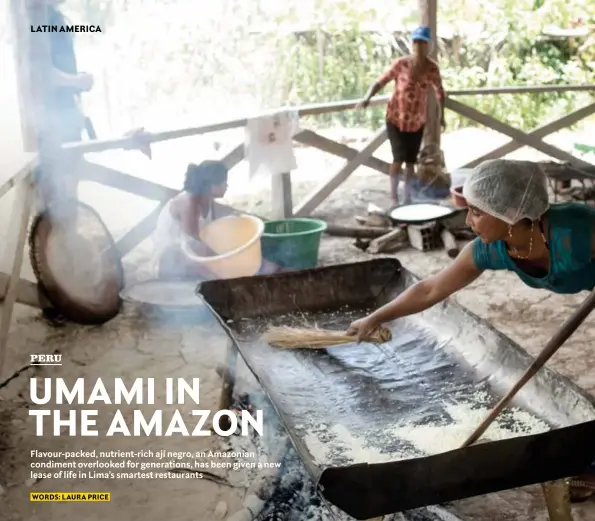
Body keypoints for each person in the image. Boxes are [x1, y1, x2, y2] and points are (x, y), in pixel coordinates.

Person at [347, 158, 595, 499]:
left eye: (476, 212)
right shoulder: (492, 248)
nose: (467, 220)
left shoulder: (578, 231)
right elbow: (431, 289)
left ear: (509, 212)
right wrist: (376, 317)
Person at [357, 25, 446, 205]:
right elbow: (381, 81)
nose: (419, 45)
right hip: (396, 119)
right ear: (412, 44)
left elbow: (440, 93)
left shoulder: (431, 68)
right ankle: (393, 197)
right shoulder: (401, 64)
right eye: (416, 42)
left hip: (416, 122)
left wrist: (442, 116)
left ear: (429, 45)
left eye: (423, 42)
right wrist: (367, 98)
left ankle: (407, 197)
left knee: (411, 163)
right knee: (398, 159)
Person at [152, 160, 284, 280]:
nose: (226, 185)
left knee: (251, 264)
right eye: (223, 182)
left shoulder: (206, 199)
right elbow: (193, 244)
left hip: (194, 253)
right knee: (223, 274)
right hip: (171, 260)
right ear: (211, 185)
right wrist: (224, 260)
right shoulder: (188, 204)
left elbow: (224, 221)